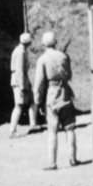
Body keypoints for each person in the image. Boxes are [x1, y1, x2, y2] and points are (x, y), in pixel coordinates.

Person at [34, 31, 79, 170]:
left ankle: (52, 163)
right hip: (65, 94)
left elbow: (39, 83)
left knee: (52, 131)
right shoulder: (64, 56)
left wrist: (38, 101)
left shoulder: (42, 59)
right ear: (56, 42)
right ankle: (73, 159)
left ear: (43, 44)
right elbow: (69, 75)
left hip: (51, 97)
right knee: (70, 128)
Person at [9, 32, 38, 137]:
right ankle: (12, 130)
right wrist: (22, 87)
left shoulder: (21, 50)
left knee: (33, 101)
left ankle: (33, 126)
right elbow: (20, 71)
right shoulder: (20, 52)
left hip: (23, 80)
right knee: (19, 105)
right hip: (19, 81)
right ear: (28, 42)